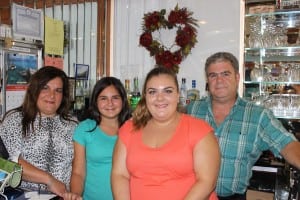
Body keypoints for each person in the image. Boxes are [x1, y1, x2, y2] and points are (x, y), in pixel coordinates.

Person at [187, 52, 300, 200]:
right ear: (207, 80)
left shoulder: (258, 115)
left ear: (237, 77)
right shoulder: (193, 110)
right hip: (192, 195)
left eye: (225, 74)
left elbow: (287, 144)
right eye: (213, 75)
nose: (219, 80)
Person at [111, 67, 220, 200]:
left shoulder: (199, 130)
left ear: (178, 94)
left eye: (167, 91)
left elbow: (207, 182)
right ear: (145, 96)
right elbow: (120, 175)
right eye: (152, 92)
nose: (160, 98)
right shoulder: (128, 129)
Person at [0, 66, 78, 197]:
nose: (51, 95)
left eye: (58, 90)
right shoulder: (14, 120)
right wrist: (49, 179)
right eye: (45, 88)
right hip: (22, 196)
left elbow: (78, 170)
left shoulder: (73, 125)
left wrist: (73, 195)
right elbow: (9, 163)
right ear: (34, 90)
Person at [63, 77, 131, 200]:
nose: (110, 103)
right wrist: (75, 195)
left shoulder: (133, 129)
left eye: (115, 98)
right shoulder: (85, 129)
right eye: (103, 98)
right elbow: (78, 172)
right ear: (95, 102)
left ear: (123, 100)